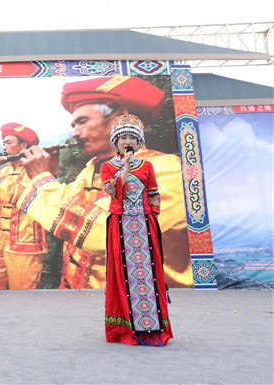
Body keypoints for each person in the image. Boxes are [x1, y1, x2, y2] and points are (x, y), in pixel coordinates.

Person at [17, 75, 191, 289]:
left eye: (82, 121)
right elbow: (68, 215)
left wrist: (41, 180)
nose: (75, 133)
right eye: (73, 124)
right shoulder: (90, 171)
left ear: (121, 118)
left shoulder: (163, 170)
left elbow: (107, 231)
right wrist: (48, 176)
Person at [100, 114, 173, 345]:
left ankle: (153, 326)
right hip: (119, 225)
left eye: (132, 137)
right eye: (123, 138)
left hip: (144, 224)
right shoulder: (107, 166)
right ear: (116, 143)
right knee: (122, 272)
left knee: (150, 272)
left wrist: (151, 218)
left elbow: (153, 193)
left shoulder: (148, 165)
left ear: (139, 142)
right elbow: (112, 192)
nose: (127, 141)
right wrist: (126, 168)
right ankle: (126, 329)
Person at [0, 123, 48, 290]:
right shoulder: (5, 171)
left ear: (24, 145)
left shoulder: (35, 170)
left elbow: (19, 196)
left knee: (22, 297)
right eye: (3, 143)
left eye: (8, 143)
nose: (4, 147)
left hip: (25, 246)